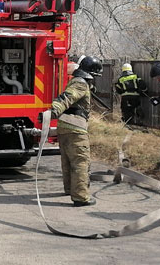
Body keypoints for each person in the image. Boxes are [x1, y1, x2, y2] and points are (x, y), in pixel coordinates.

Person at [50, 55, 103, 207]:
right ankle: (80, 197)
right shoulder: (80, 84)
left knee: (67, 160)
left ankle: (69, 189)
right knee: (80, 162)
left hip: (65, 126)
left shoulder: (77, 81)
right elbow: (67, 97)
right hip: (76, 127)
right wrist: (54, 110)